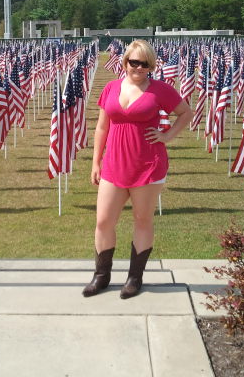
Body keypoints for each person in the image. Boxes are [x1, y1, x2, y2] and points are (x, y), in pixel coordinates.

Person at [83, 39, 193, 299]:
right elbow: (102, 127)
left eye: (145, 64)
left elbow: (186, 113)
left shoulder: (160, 90)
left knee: (142, 220)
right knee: (103, 221)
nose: (139, 68)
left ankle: (134, 278)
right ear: (125, 62)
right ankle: (101, 275)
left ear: (151, 66)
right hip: (114, 164)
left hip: (148, 165)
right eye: (135, 62)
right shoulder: (110, 88)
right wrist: (96, 161)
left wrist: (167, 137)